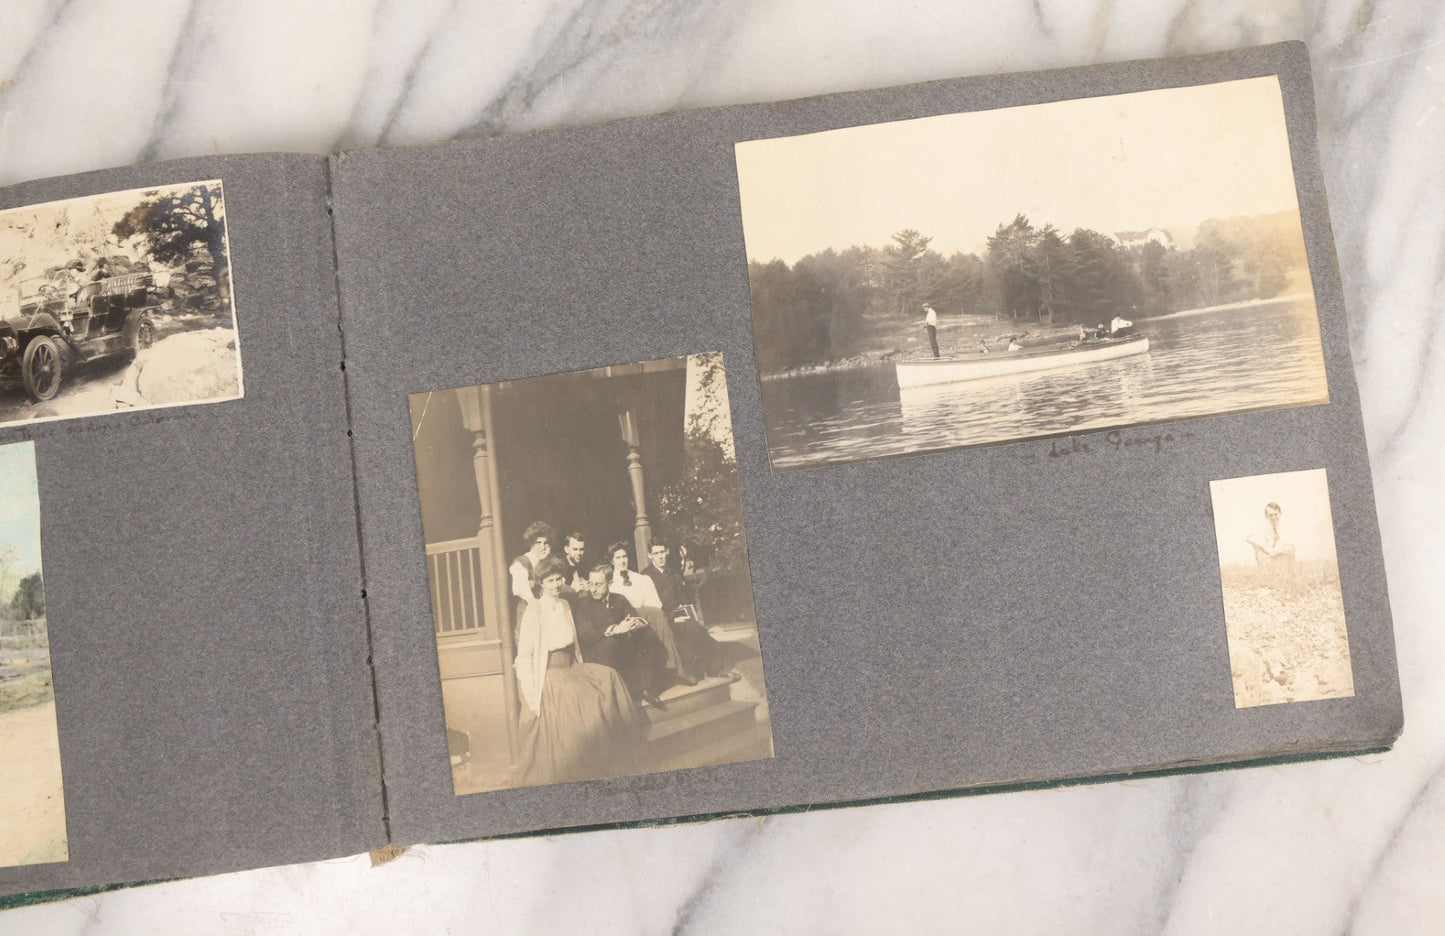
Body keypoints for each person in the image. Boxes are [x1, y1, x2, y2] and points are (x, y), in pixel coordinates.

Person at [513, 558, 644, 786]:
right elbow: (524, 656)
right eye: (550, 581)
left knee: (609, 676)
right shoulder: (534, 611)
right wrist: (531, 695)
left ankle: (623, 755)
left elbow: (574, 646)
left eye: (558, 579)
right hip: (551, 674)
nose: (555, 585)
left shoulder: (564, 604)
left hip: (572, 666)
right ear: (540, 584)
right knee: (578, 707)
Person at [572, 565, 670, 706]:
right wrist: (614, 629)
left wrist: (634, 623)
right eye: (591, 584)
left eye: (598, 585)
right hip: (596, 651)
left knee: (647, 636)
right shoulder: (584, 603)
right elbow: (586, 635)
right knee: (613, 642)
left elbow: (636, 618)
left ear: (610, 584)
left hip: (619, 646)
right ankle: (619, 693)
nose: (593, 589)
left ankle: (645, 688)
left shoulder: (619, 599)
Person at [606, 540, 693, 685]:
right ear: (612, 561)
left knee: (656, 613)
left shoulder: (640, 578)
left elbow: (655, 603)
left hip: (646, 617)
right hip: (625, 620)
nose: (622, 561)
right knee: (655, 616)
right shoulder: (610, 582)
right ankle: (675, 670)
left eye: (625, 556)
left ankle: (677, 670)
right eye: (618, 557)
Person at [644, 540, 727, 679]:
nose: (660, 556)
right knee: (692, 630)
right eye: (656, 553)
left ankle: (714, 670)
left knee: (698, 629)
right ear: (650, 555)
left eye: (662, 552)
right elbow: (649, 606)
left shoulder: (672, 572)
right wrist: (672, 617)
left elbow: (683, 597)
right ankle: (695, 671)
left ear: (667, 552)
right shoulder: (646, 576)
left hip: (680, 615)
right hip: (664, 619)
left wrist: (688, 611)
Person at [509, 521, 556, 635]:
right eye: (538, 543)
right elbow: (521, 589)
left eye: (546, 543)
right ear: (531, 544)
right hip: (529, 611)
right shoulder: (522, 562)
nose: (542, 547)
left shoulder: (549, 562)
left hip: (546, 613)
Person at [1246, 501, 1297, 567]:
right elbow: (1249, 538)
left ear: (1280, 514)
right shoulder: (1262, 529)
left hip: (1279, 560)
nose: (1273, 518)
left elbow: (1292, 547)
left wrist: (1276, 551)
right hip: (1266, 562)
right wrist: (1267, 548)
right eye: (1270, 515)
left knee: (1290, 552)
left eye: (1275, 514)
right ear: (1266, 516)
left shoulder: (1285, 530)